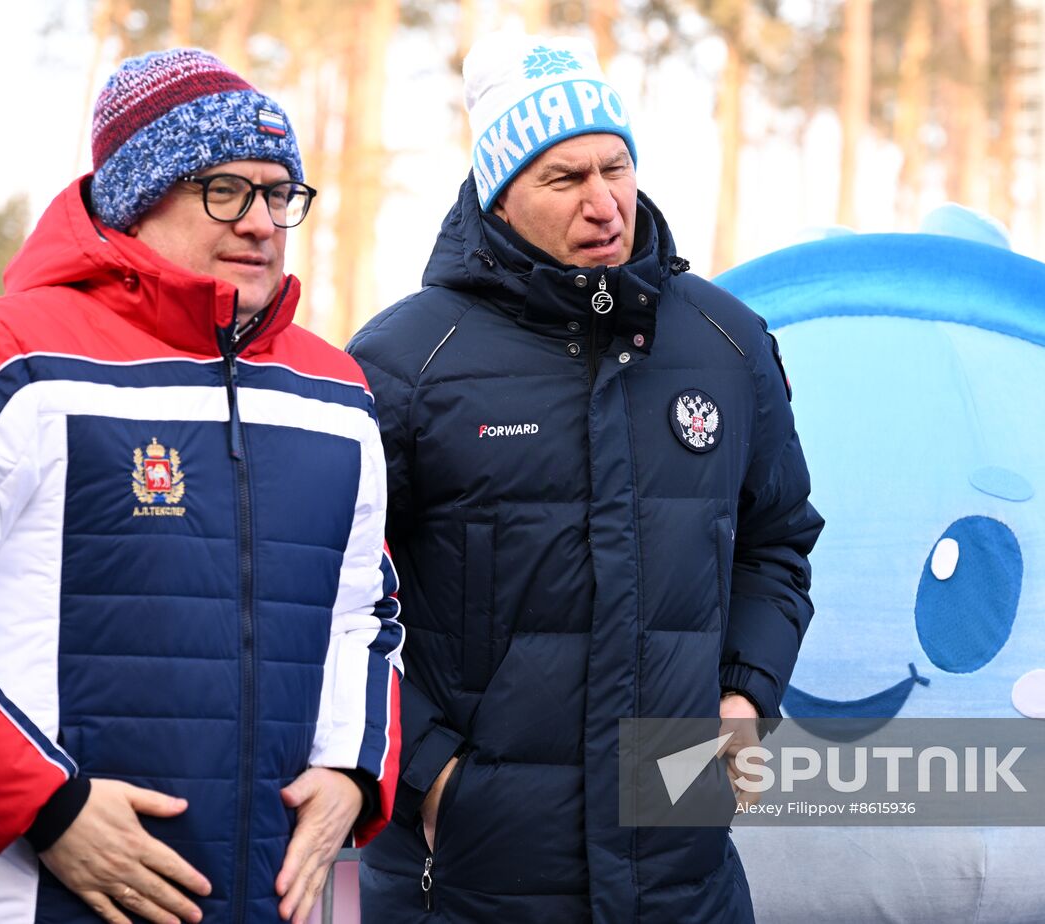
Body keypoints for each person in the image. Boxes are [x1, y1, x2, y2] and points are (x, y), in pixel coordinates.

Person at [0, 49, 403, 924]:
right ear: (136, 194)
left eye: (280, 194)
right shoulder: (2, 359)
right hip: (38, 896)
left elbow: (366, 614)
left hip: (266, 899)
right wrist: (48, 806)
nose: (262, 222)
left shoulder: (334, 391)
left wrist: (353, 771)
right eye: (225, 191)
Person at [348, 32, 822, 923]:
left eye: (617, 168)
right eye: (564, 180)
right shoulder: (407, 362)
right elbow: (328, 598)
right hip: (465, 881)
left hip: (681, 876)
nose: (605, 203)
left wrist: (745, 694)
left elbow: (777, 541)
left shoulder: (727, 343)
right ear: (498, 191)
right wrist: (435, 777)